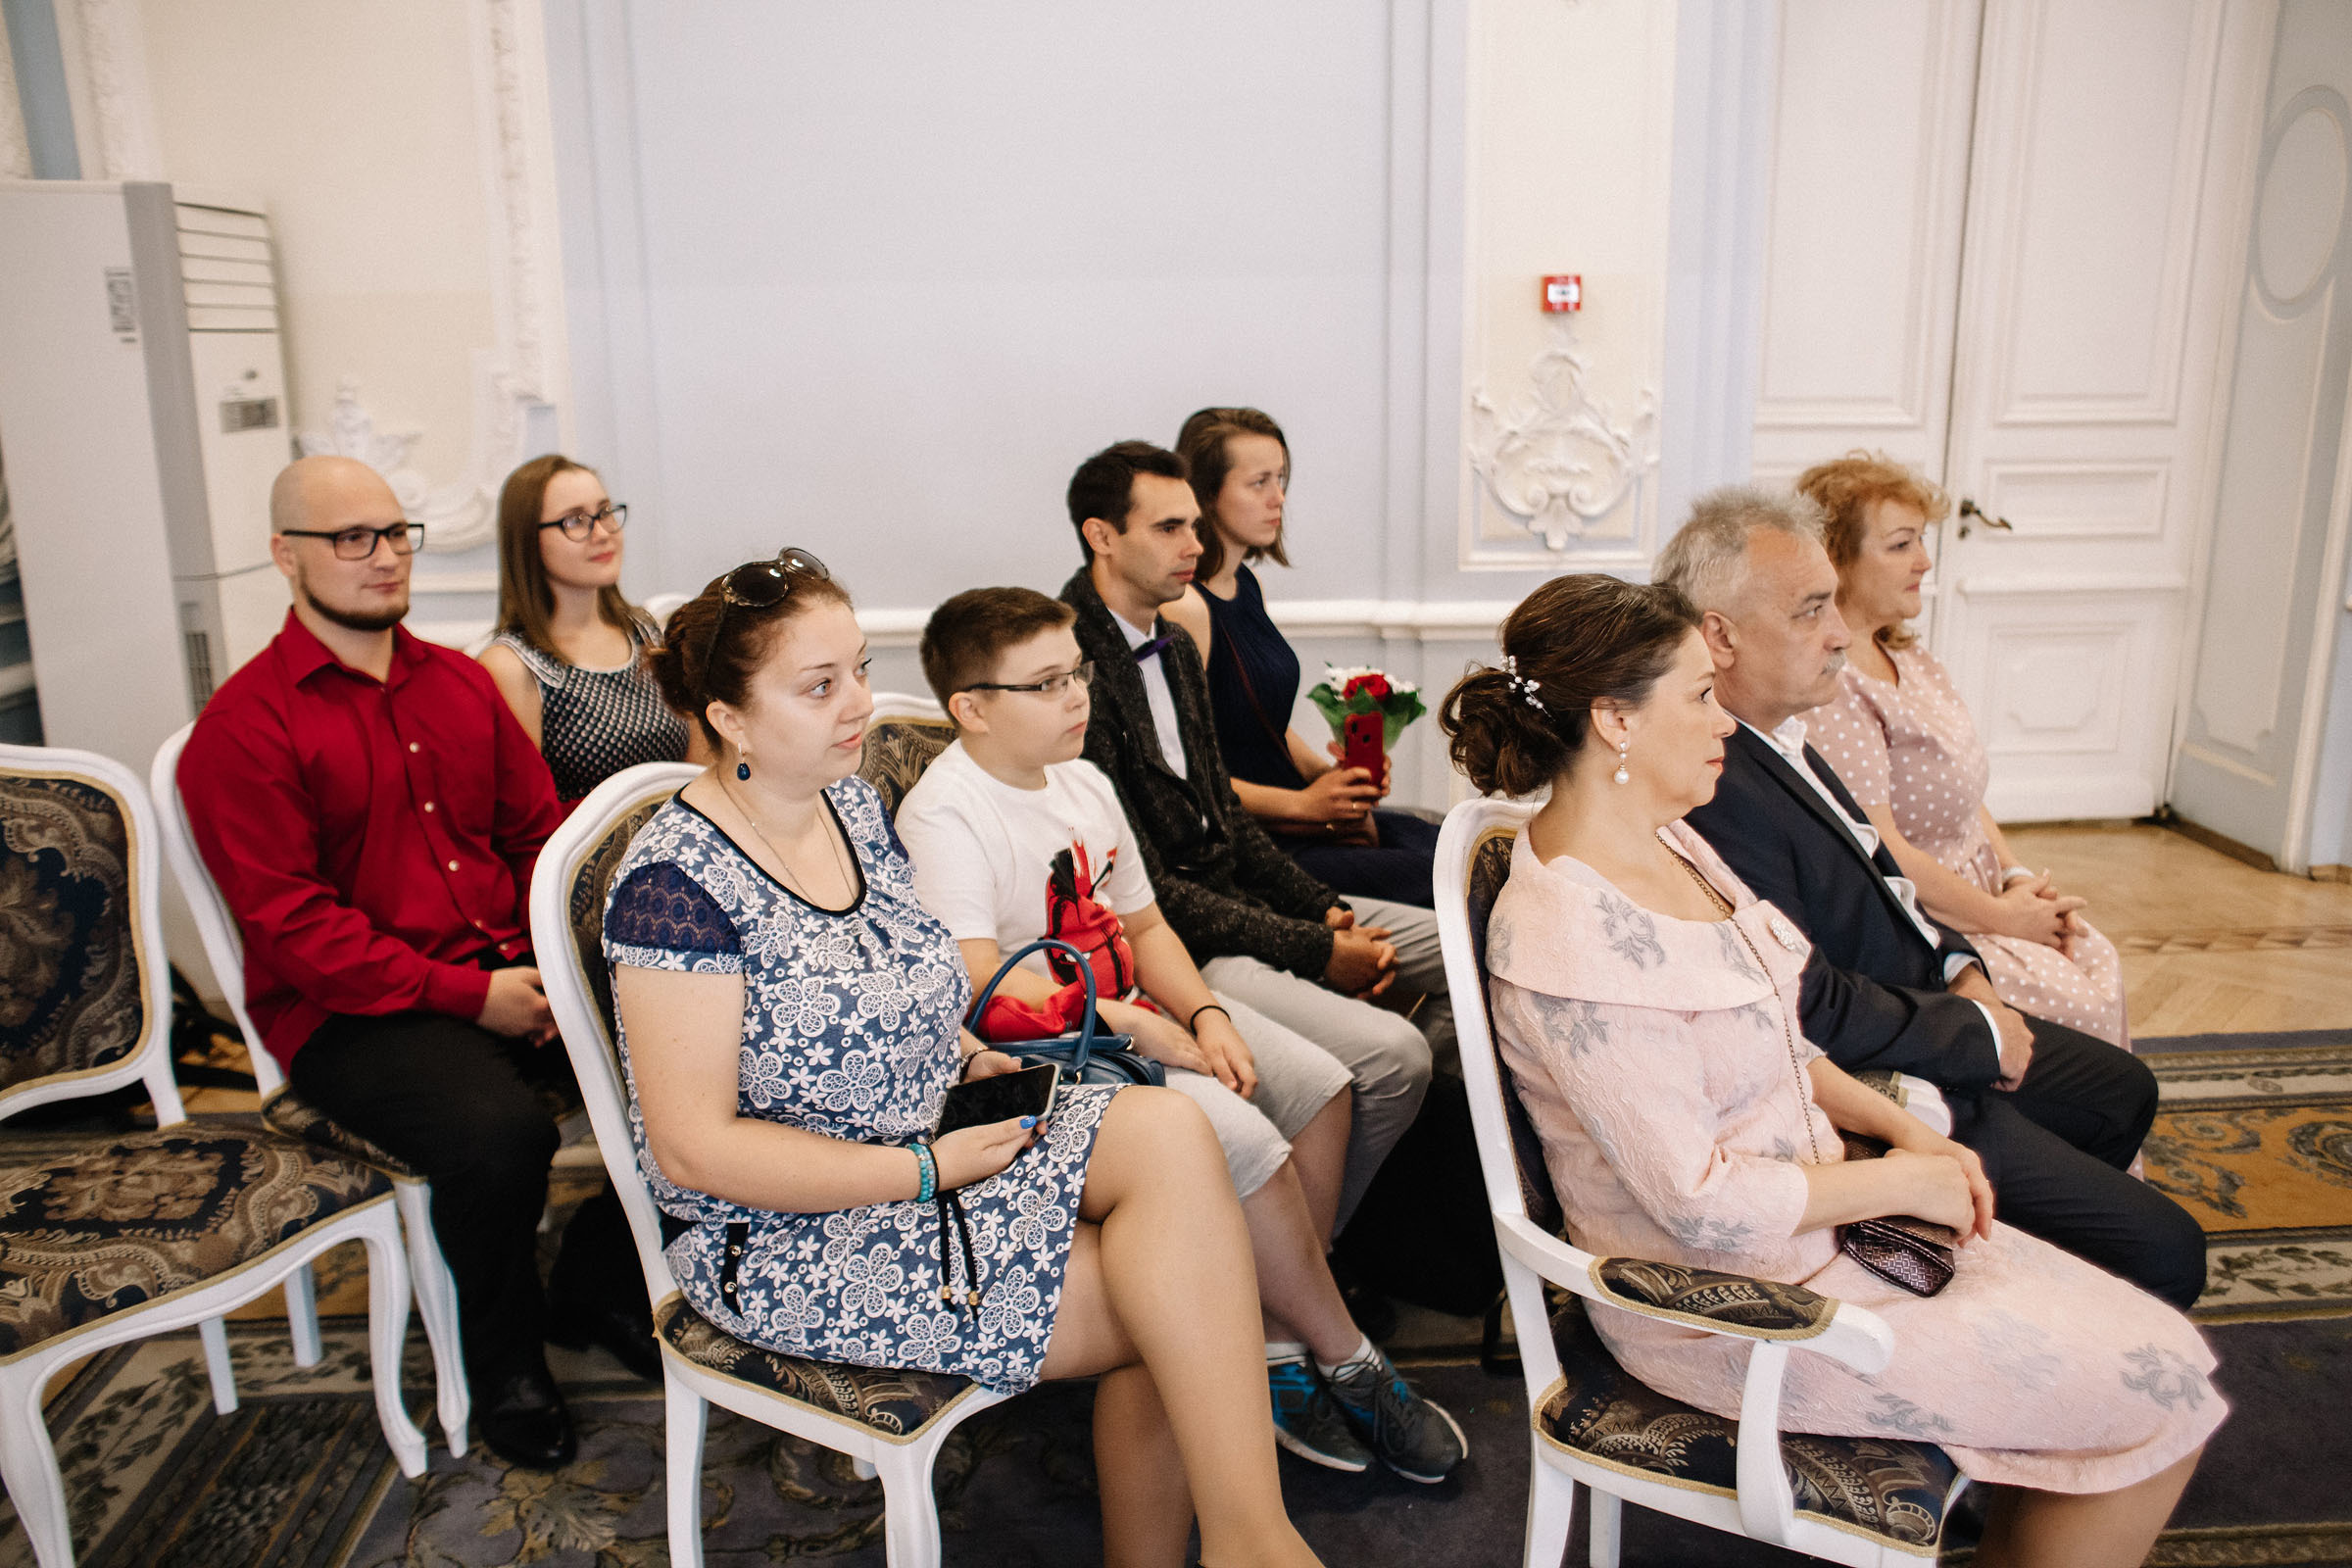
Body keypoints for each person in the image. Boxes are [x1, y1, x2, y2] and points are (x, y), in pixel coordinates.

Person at [1443, 573, 2220, 1568]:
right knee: (2164, 1391)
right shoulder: (1574, 945)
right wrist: (1905, 1179)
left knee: (2156, 1367)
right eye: (1698, 695)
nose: (1724, 720)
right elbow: (1698, 1204)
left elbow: (1781, 1034)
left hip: (1832, 1231)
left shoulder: (1672, 843)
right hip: (1732, 1310)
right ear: (1613, 719)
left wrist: (1909, 1132)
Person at [606, 552, 1327, 1568]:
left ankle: (1253, 1541)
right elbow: (691, 1150)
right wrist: (922, 1169)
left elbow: (902, 971)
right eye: (820, 687)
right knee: (1177, 1300)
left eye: (857, 667)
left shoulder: (849, 807)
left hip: (923, 1132)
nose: (860, 703)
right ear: (727, 717)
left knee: (1173, 1131)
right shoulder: (674, 886)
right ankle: (1235, 1549)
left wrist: (965, 1046)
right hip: (787, 1231)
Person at [895, 586, 1464, 1482]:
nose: (1078, 696)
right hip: (1049, 1054)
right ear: (971, 708)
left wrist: (1203, 1015)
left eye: (1076, 673)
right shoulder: (946, 813)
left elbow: (1148, 929)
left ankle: (1272, 1350)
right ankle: (1347, 1356)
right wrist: (1133, 1024)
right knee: (1247, 1138)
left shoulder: (1083, 780)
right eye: (1045, 684)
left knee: (1319, 1087)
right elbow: (973, 991)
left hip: (1138, 1021)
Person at [179, 455, 649, 1472]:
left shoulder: (458, 686)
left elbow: (537, 838)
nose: (383, 556)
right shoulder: (245, 728)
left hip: (497, 970)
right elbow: (292, 927)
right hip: (349, 1013)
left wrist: (551, 972)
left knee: (700, 1052)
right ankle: (503, 1366)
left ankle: (599, 1279)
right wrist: (468, 995)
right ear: (284, 557)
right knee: (499, 1137)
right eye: (352, 538)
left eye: (396, 533)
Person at [1660, 488, 2206, 1309]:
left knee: (2123, 1089)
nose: (1840, 634)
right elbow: (1804, 1003)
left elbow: (1891, 877)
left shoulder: (1781, 732)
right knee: (2173, 1253)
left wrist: (1966, 971)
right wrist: (1974, 1036)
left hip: (1931, 1008)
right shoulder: (1718, 783)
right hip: (1882, 1077)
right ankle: (2024, 1293)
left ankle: (2022, 1261)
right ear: (1719, 636)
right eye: (1812, 612)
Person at [1057, 440, 1448, 1230]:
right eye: (1169, 528)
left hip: (1238, 904)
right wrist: (1313, 947)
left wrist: (1322, 907)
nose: (1195, 547)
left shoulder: (1170, 640)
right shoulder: (1070, 671)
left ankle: (1394, 1234)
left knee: (1470, 959)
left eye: (1195, 526)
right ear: (1102, 536)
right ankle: (1303, 1267)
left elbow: (1225, 817)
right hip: (1175, 945)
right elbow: (1149, 892)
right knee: (1395, 1057)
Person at [1795, 452, 2129, 1049]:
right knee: (2079, 997)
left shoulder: (1911, 658)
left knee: (2094, 955)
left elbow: (1967, 797)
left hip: (1982, 895)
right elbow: (1881, 848)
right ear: (1835, 559)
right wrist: (2003, 918)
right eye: (1900, 545)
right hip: (1924, 923)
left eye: (1921, 542)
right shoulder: (1834, 690)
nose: (1924, 562)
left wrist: (2017, 878)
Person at [1161, 408, 1439, 907]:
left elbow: (1258, 718)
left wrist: (1330, 778)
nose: (1278, 498)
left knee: (1456, 848)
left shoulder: (1246, 583)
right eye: (1259, 482)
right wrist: (1307, 805)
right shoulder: (1186, 609)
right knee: (1441, 877)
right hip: (1258, 844)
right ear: (1206, 494)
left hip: (1296, 816)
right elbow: (1181, 775)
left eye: (1281, 479)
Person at [479, 454, 699, 807]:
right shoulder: (513, 666)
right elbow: (525, 817)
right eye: (576, 521)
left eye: (606, 512)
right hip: (583, 857)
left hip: (677, 845)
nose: (602, 534)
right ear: (528, 540)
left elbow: (698, 769)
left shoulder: (648, 632)